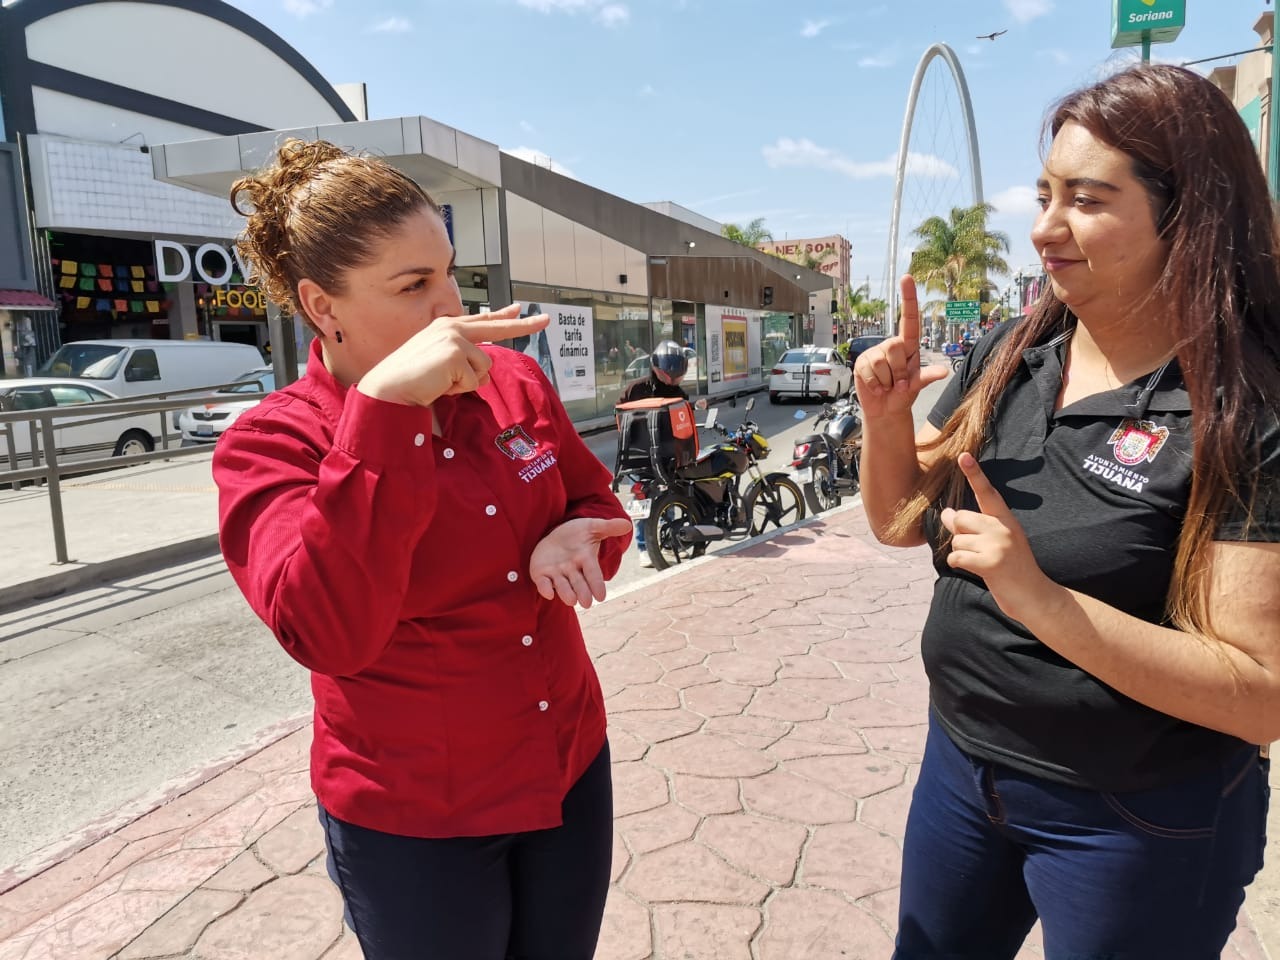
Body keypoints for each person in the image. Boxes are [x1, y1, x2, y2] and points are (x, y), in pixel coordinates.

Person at [854, 65, 1279, 958]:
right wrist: (885, 424)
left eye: (1087, 200)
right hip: (963, 770)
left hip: (1133, 818)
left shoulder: (1243, 408)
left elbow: (1259, 697)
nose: (1045, 229)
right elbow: (898, 522)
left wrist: (1039, 598)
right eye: (1045, 194)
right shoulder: (1017, 349)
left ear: (1186, 213)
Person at [213, 139, 632, 959]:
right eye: (413, 287)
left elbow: (596, 501)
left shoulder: (511, 383)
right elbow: (328, 633)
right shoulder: (274, 444)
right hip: (416, 815)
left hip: (566, 763)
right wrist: (382, 410)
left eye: (448, 273)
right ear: (320, 303)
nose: (451, 308)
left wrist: (575, 543)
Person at [618, 340, 689, 567]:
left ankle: (670, 541)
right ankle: (643, 547)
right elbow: (619, 416)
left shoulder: (679, 393)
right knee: (644, 500)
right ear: (656, 367)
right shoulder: (635, 390)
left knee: (671, 498)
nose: (672, 378)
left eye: (677, 374)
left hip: (669, 455)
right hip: (640, 455)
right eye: (668, 373)